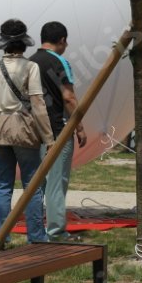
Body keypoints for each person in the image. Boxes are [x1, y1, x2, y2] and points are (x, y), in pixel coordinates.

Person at [0, 19, 54, 245]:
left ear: (3, 43)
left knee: (2, 186)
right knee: (31, 186)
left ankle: (0, 237)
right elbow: (38, 104)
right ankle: (36, 237)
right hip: (23, 128)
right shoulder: (30, 67)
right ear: (24, 43)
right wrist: (49, 138)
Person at [30, 21, 87, 242]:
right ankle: (56, 232)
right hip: (56, 130)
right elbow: (68, 97)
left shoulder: (30, 62)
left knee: (36, 183)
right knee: (56, 182)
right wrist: (79, 127)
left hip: (32, 131)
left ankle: (35, 231)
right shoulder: (59, 62)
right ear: (62, 40)